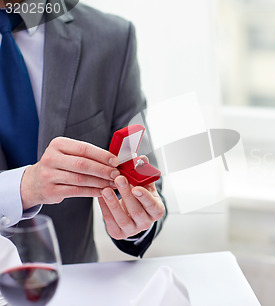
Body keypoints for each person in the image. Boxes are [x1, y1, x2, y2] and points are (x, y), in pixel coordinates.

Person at [0, 0, 167, 264]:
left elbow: (145, 177)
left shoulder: (112, 39)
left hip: (72, 285)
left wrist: (136, 221)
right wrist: (25, 187)